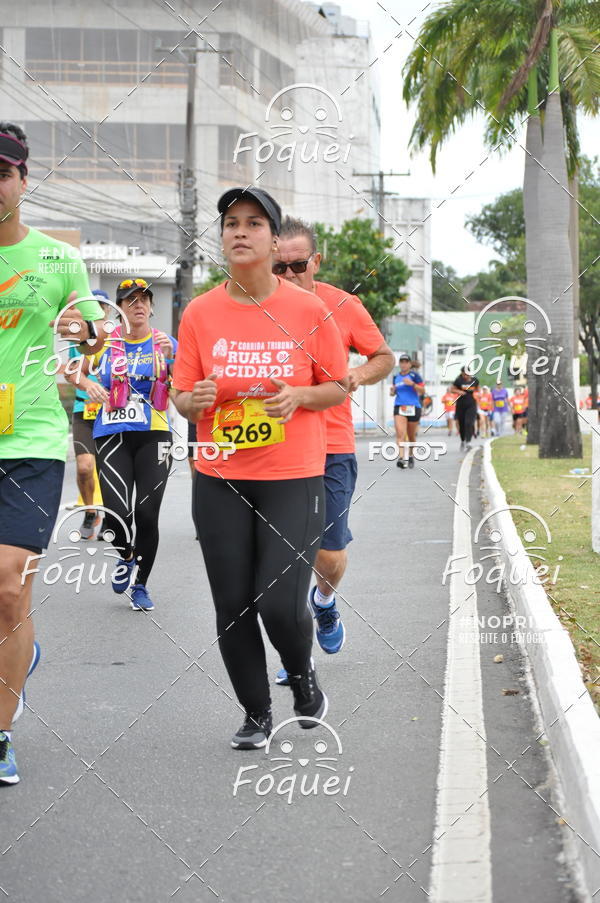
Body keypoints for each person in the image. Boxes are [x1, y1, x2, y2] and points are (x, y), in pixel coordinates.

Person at [172, 187, 349, 750]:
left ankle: (301, 678)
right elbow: (180, 394)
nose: (240, 232)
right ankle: (255, 713)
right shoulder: (200, 312)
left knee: (277, 601)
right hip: (219, 476)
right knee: (232, 604)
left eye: (253, 223)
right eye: (231, 223)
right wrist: (191, 403)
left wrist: (299, 395)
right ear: (222, 237)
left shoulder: (307, 309)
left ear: (275, 240)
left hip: (292, 477)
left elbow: (339, 385)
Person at [0, 122, 104, 785]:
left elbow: (94, 332)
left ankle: (0, 730)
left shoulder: (57, 258)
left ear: (22, 179)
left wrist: (84, 331)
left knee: (9, 586)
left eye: (2, 171)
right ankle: (17, 654)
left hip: (32, 440)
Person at [271, 216, 394, 681]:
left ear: (315, 261)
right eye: (278, 267)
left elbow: (382, 356)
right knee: (281, 559)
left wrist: (359, 374)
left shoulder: (342, 305)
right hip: (274, 448)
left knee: (328, 554)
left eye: (297, 266)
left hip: (331, 445)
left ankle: (323, 600)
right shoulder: (255, 307)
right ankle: (293, 654)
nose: (287, 276)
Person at [72, 278, 177, 612]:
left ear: (150, 306)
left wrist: (171, 362)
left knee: (147, 513)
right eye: (130, 300)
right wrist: (88, 384)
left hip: (154, 434)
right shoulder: (103, 343)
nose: (138, 305)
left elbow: (186, 382)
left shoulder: (164, 342)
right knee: (117, 514)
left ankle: (141, 585)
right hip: (112, 434)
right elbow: (74, 370)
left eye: (144, 299)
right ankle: (127, 557)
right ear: (119, 308)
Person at [63, 289, 111, 540]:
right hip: (83, 408)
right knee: (84, 467)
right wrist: (87, 385)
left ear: (109, 311)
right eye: (94, 306)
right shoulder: (76, 341)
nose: (99, 311)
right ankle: (90, 511)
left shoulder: (116, 339)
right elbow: (71, 374)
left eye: (102, 306)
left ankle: (110, 515)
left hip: (111, 413)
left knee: (108, 469)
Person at [390, 354, 425, 468]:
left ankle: (410, 455)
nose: (404, 364)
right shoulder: (396, 377)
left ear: (410, 364)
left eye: (406, 362)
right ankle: (401, 458)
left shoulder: (415, 376)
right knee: (400, 433)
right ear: (399, 364)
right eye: (402, 362)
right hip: (400, 406)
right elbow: (393, 393)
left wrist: (412, 384)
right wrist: (392, 391)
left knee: (411, 435)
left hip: (414, 407)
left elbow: (423, 390)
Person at [453, 364, 479, 451]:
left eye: (467, 374)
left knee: (469, 423)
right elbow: (452, 389)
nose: (465, 376)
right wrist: (459, 391)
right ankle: (463, 440)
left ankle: (468, 441)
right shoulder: (458, 380)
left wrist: (478, 394)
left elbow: (478, 390)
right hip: (461, 405)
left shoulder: (475, 380)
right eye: (463, 374)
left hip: (471, 404)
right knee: (462, 424)